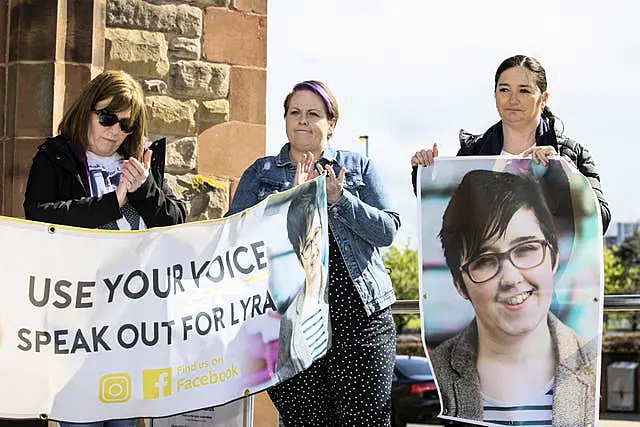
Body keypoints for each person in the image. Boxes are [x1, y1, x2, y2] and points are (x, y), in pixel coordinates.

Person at [226, 80, 400, 426]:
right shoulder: (261, 174)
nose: (302, 120)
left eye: (313, 114)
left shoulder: (357, 167)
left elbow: (387, 231)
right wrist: (289, 204)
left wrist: (340, 199)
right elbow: (234, 243)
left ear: (331, 123)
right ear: (285, 119)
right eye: (295, 113)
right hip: (291, 326)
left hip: (361, 323)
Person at [22, 70, 187, 427]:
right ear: (88, 110)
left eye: (126, 125)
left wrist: (144, 191)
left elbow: (176, 225)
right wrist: (111, 203)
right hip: (77, 326)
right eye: (107, 117)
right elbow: (39, 218)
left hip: (130, 331)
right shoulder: (54, 156)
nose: (115, 131)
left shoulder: (143, 163)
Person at [429, 169, 596, 426]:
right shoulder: (437, 370)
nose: (511, 278)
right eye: (484, 261)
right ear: (459, 285)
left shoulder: (591, 361)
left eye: (526, 249)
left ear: (553, 257)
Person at [410, 54, 610, 233]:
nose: (513, 99)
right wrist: (426, 174)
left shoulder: (571, 155)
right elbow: (445, 218)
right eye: (504, 89)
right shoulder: (472, 153)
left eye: (524, 91)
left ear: (544, 99)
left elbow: (600, 221)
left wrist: (563, 175)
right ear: (495, 94)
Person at [275, 181, 330, 382]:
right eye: (307, 244)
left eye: (317, 234)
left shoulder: (337, 293)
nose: (316, 248)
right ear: (298, 253)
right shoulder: (287, 319)